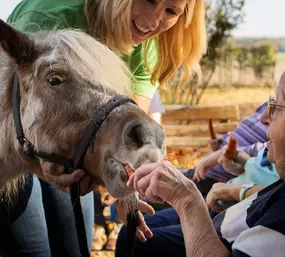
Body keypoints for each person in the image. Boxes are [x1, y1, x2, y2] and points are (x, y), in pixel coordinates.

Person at [0, 0, 207, 256]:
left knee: (75, 247)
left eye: (171, 11)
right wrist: (40, 168)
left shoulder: (147, 47)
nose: (152, 21)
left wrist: (129, 191)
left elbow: (132, 134)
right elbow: (15, 102)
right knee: (32, 248)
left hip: (75, 152)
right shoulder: (50, 13)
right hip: (18, 147)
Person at [117, 70, 285, 257]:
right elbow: (260, 167)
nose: (263, 118)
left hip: (221, 205)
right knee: (131, 233)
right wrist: (241, 161)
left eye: (276, 105)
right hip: (227, 212)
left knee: (135, 237)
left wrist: (188, 200)